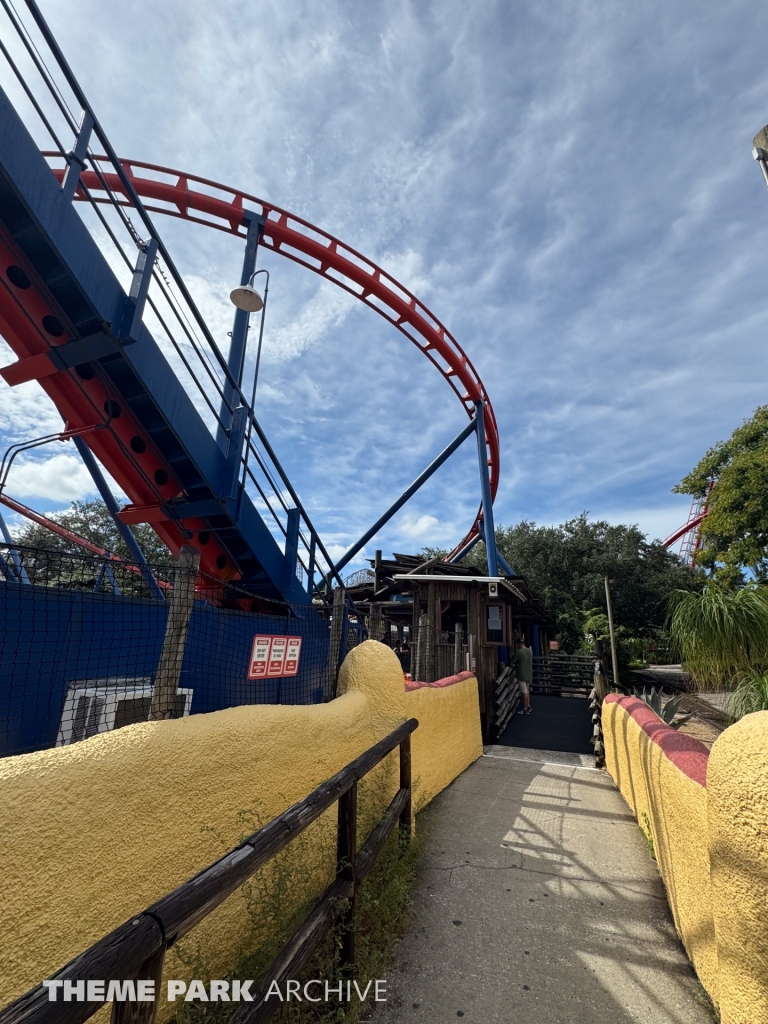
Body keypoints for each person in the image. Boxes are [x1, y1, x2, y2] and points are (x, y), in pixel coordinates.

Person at [514, 637, 533, 714]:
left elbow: (513, 660)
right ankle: (528, 705)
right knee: (527, 690)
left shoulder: (518, 652)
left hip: (521, 674)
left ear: (518, 643)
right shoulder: (530, 651)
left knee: (524, 691)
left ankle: (525, 708)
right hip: (528, 673)